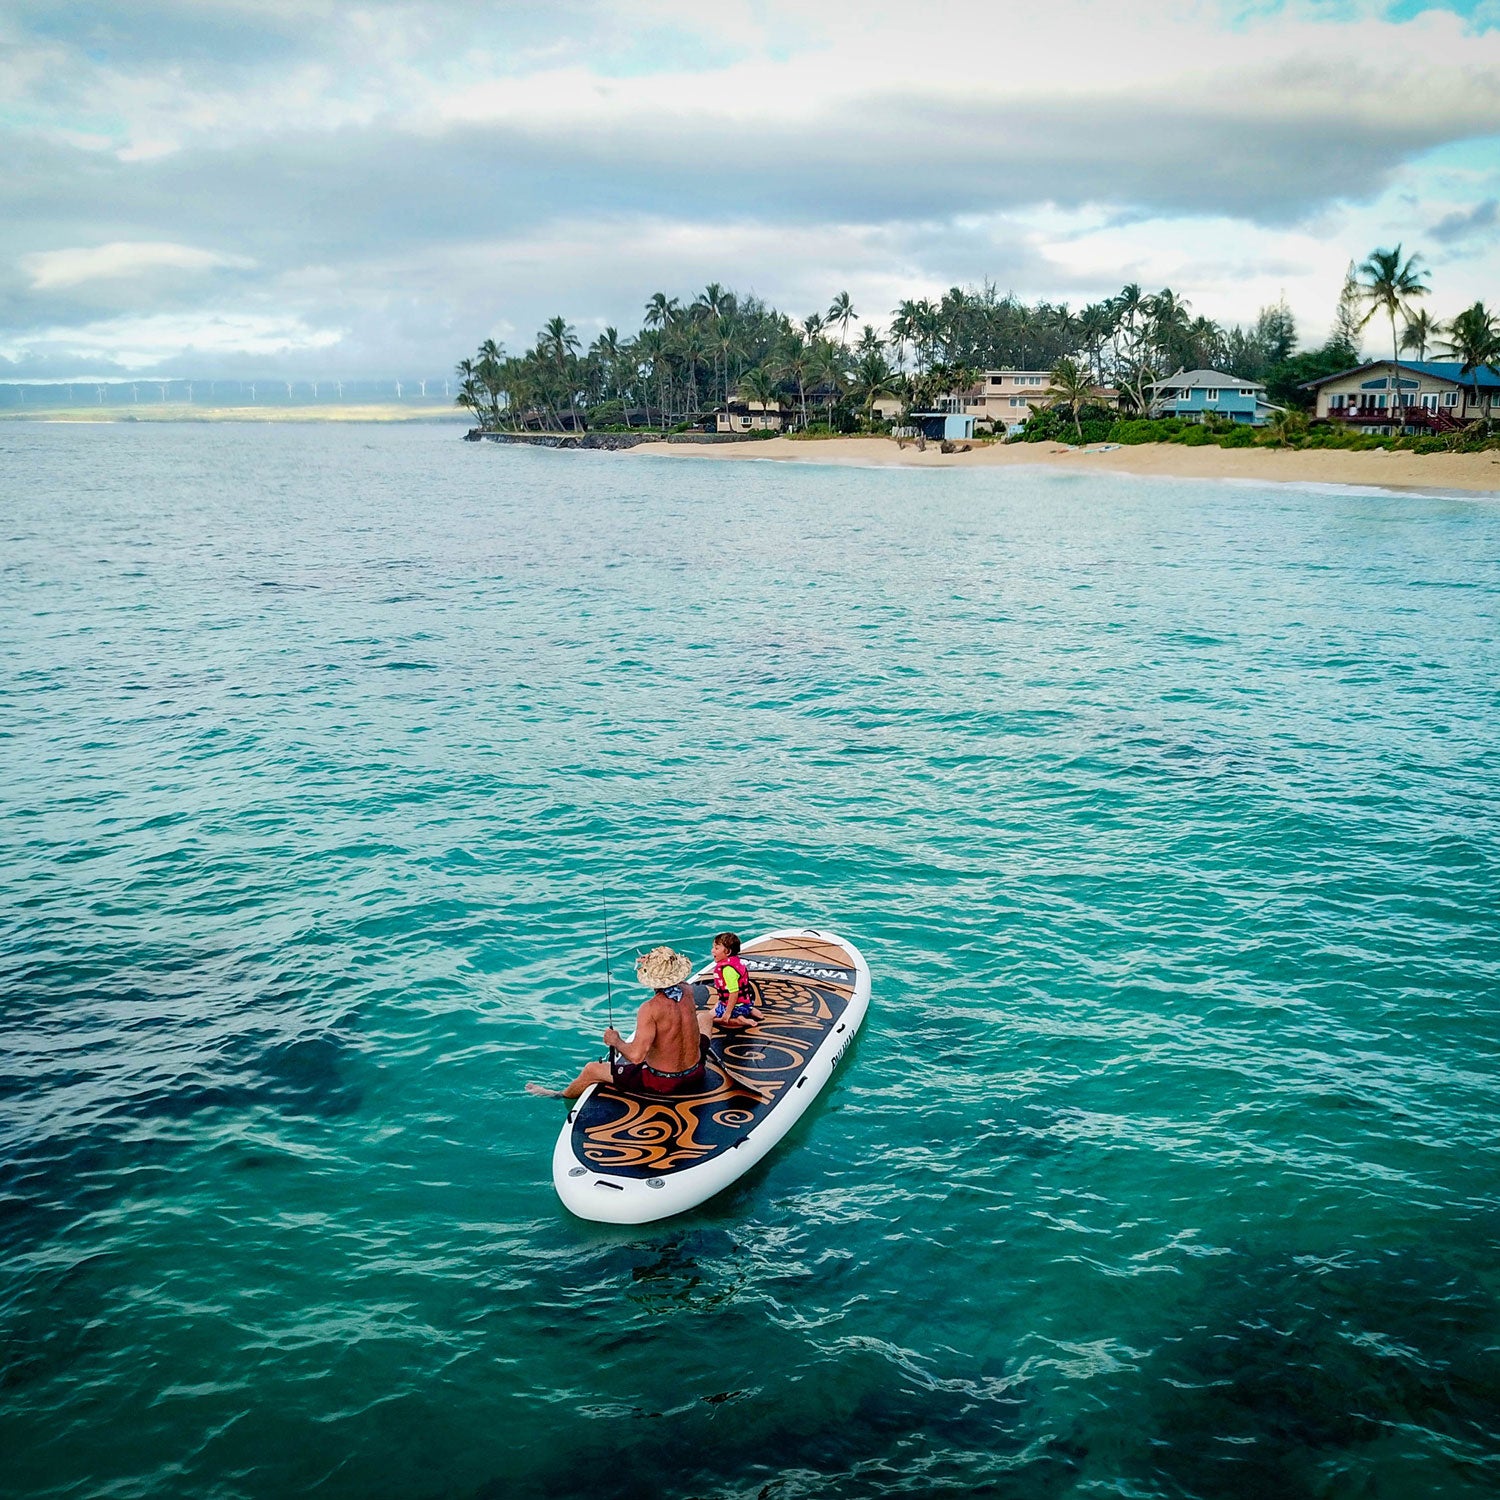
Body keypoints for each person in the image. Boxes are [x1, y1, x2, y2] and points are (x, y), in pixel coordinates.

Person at [525, 946, 711, 1100]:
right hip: (696, 1073)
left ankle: (559, 1095)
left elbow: (637, 1057)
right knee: (705, 1018)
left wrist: (615, 1041)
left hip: (663, 1083)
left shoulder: (650, 1008)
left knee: (591, 1069)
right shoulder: (688, 991)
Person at [708, 931, 757, 1029]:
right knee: (717, 1006)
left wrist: (727, 1013)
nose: (712, 951)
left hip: (736, 1007)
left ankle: (740, 1020)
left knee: (708, 1019)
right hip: (745, 1003)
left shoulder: (728, 970)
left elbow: (734, 993)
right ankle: (750, 1010)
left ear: (728, 952)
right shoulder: (735, 962)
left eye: (716, 948)